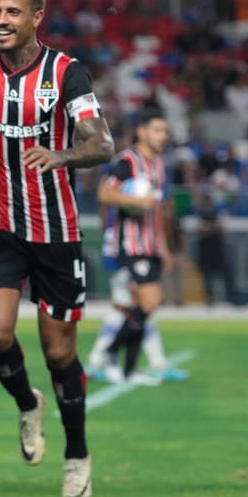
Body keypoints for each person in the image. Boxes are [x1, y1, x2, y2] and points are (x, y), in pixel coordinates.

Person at [0, 0, 114, 497]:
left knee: (58, 352)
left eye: (13, 12)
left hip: (55, 231)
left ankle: (76, 452)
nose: (2, 20)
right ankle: (28, 403)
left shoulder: (66, 73)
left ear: (35, 18)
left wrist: (62, 155)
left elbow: (101, 142)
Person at [87, 115, 189, 385]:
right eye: (157, 129)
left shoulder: (158, 165)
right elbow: (105, 193)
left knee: (137, 306)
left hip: (151, 245)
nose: (163, 135)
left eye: (165, 130)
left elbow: (158, 212)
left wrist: (165, 249)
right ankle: (109, 354)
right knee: (148, 301)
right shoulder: (128, 160)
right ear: (141, 132)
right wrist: (135, 200)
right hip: (130, 245)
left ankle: (129, 370)